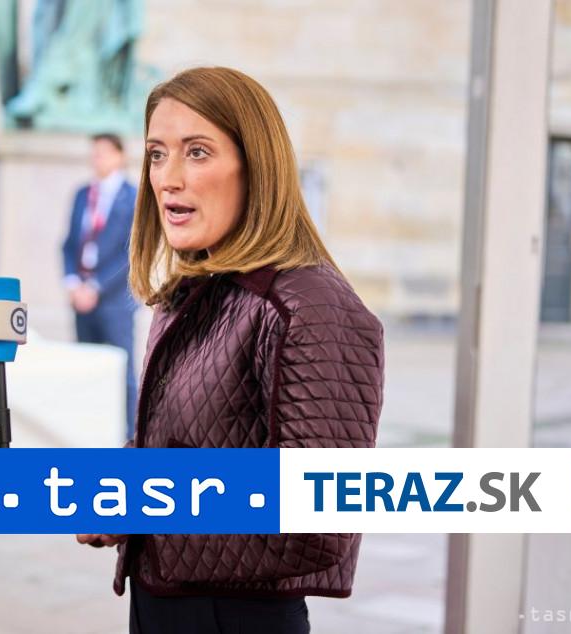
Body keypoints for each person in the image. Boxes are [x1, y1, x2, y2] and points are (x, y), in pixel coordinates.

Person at [76, 67, 384, 633]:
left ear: (257, 168)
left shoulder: (308, 306)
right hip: (163, 605)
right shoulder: (201, 289)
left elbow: (319, 519)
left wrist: (150, 500)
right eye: (157, 154)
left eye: (197, 152)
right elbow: (198, 437)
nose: (168, 178)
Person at [62, 133, 139, 439]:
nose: (98, 159)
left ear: (120, 156)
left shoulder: (132, 197)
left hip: (114, 299)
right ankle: (87, 432)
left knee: (122, 370)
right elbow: (69, 244)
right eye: (94, 153)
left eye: (104, 153)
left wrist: (95, 287)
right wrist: (73, 283)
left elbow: (130, 253)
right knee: (85, 368)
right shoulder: (83, 194)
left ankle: (130, 437)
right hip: (81, 296)